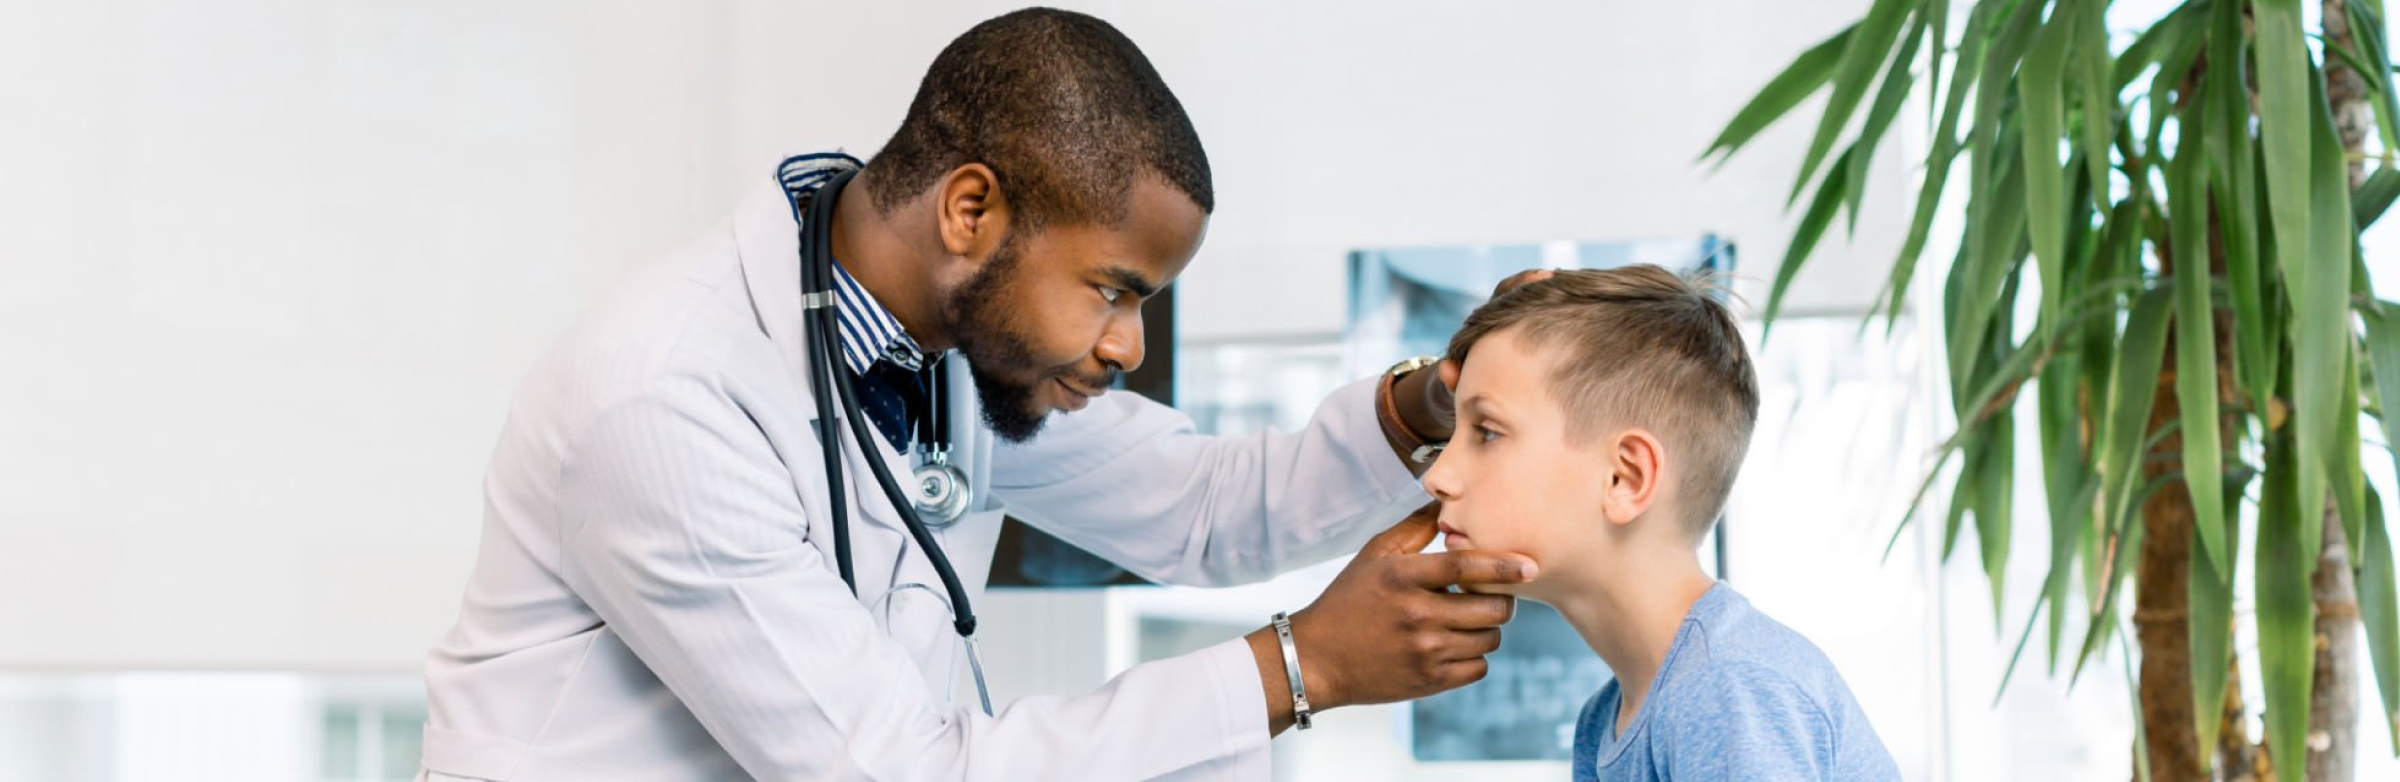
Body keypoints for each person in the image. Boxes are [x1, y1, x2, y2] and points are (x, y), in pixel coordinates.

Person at [417, 8, 1535, 781]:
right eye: (1112, 289)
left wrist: (1424, 405)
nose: (1127, 346)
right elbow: (898, 767)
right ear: (969, 211)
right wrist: (1302, 666)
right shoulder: (665, 402)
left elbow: (1200, 508)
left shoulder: (947, 346)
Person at [1419, 266, 1898, 781]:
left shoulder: (1726, 689)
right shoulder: (1606, 721)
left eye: (1486, 432)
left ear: (1625, 478)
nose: (1438, 477)